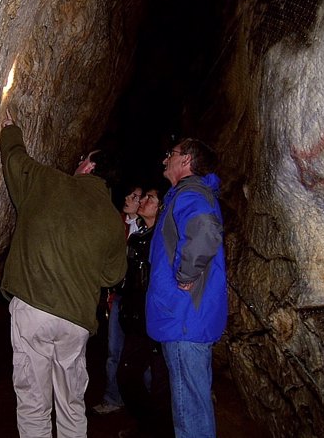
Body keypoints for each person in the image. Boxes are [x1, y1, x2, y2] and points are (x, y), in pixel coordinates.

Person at [0, 110, 127, 438]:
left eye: (84, 158)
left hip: (33, 308)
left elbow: (15, 160)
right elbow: (113, 275)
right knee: (71, 401)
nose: (79, 161)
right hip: (76, 322)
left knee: (33, 400)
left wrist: (11, 130)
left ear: (90, 166)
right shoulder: (114, 220)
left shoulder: (49, 181)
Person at [146, 139, 227, 438]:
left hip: (183, 318)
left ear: (187, 160)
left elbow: (204, 230)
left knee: (189, 410)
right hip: (187, 319)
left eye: (173, 154)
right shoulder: (188, 194)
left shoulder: (189, 192)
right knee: (194, 403)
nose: (166, 158)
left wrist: (185, 275)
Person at [117, 186, 173, 438]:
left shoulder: (167, 238)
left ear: (161, 207)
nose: (145, 201)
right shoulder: (138, 238)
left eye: (151, 198)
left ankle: (156, 430)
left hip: (160, 321)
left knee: (162, 382)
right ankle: (148, 425)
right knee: (127, 375)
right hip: (136, 320)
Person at [93, 186, 142, 416]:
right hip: (120, 297)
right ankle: (113, 397)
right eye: (128, 194)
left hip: (140, 301)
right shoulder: (117, 224)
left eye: (134, 197)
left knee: (140, 355)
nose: (127, 198)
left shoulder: (149, 229)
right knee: (114, 350)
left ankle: (143, 402)